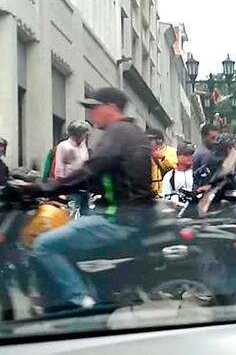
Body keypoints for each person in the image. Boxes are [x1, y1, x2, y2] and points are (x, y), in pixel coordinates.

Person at [30, 87, 154, 309]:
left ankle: (81, 300)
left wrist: (41, 189)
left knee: (43, 244)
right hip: (128, 214)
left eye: (94, 108)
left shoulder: (118, 133)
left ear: (112, 108)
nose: (90, 114)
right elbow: (98, 176)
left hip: (117, 218)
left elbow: (90, 170)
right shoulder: (132, 132)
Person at [54, 120, 92, 215]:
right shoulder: (64, 146)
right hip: (70, 184)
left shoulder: (83, 146)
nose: (85, 136)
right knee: (72, 210)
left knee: (84, 211)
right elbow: (59, 166)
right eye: (84, 133)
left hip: (84, 184)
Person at [146, 128, 177, 196]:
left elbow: (176, 168)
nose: (147, 142)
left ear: (159, 141)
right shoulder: (145, 154)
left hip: (167, 192)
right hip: (150, 194)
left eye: (150, 140)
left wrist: (163, 158)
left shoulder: (172, 152)